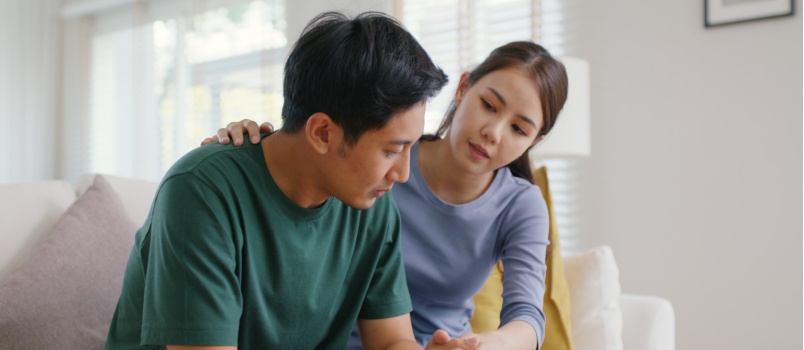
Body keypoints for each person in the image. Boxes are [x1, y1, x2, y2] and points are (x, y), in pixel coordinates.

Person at [105, 11, 483, 350]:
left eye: (410, 148)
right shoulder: (201, 192)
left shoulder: (373, 206)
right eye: (391, 150)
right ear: (321, 133)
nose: (402, 173)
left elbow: (390, 340)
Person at [206, 41, 569, 349]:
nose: (493, 132)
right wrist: (248, 148)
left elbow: (527, 316)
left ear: (534, 142)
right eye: (489, 105)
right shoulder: (370, 163)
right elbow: (307, 155)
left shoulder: (520, 204)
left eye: (519, 129)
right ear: (463, 88)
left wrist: (481, 344)